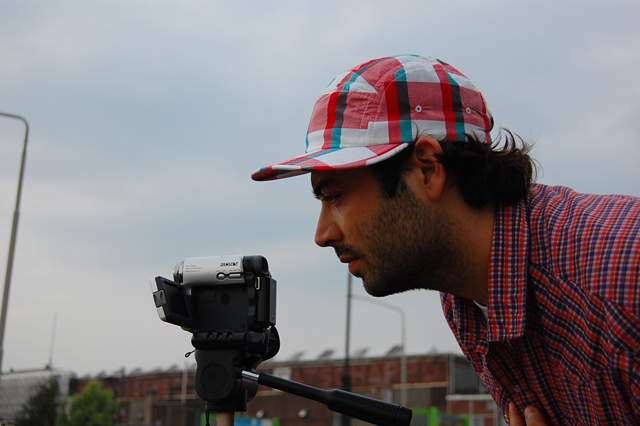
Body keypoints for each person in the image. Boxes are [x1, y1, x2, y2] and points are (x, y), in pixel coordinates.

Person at [251, 55, 640, 425]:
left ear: (427, 169)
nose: (322, 235)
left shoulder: (621, 282)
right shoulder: (463, 297)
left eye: (334, 196)